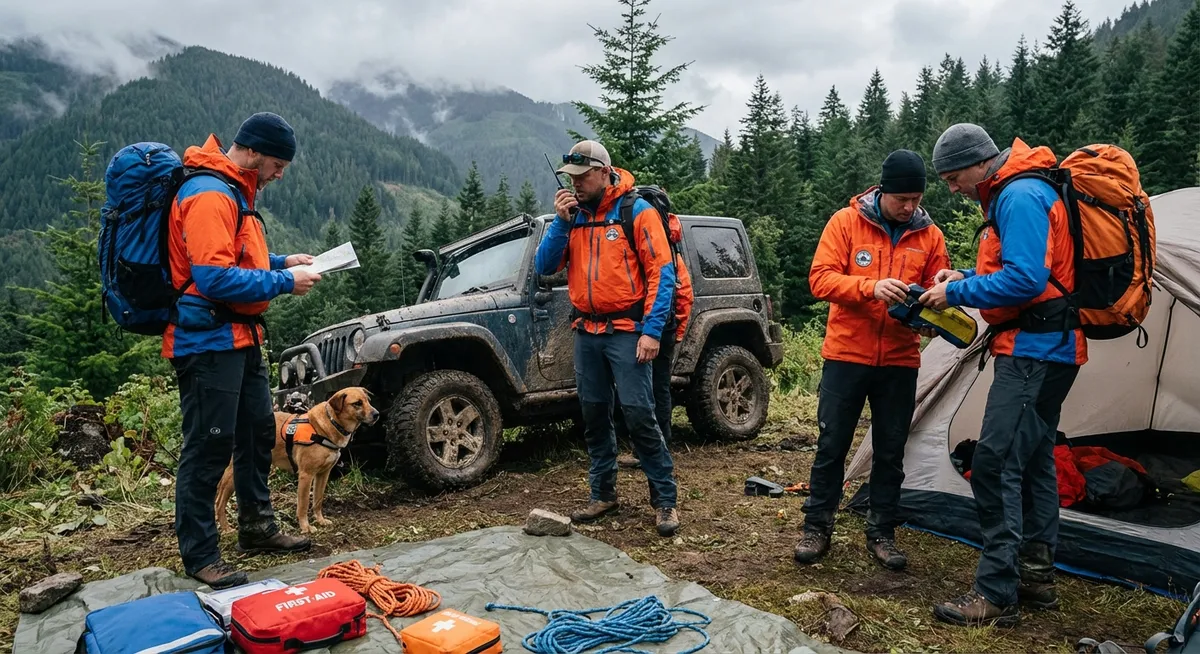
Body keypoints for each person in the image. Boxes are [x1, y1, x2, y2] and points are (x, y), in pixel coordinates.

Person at [920, 123, 1085, 627]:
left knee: (993, 463)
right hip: (1047, 348)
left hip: (1035, 351)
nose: (951, 187)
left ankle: (996, 593)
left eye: (953, 177)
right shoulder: (1020, 190)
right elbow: (1032, 270)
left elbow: (1026, 279)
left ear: (979, 163)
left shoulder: (1019, 195)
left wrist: (955, 295)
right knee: (1033, 459)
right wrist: (965, 277)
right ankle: (1037, 576)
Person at [165, 112, 323, 589]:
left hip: (241, 340)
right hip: (208, 343)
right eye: (277, 164)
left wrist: (281, 262)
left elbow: (231, 259)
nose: (279, 174)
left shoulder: (235, 191)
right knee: (209, 445)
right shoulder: (210, 193)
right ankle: (201, 554)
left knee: (257, 432)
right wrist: (283, 281)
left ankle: (257, 527)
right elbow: (212, 278)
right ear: (252, 152)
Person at [794, 150, 950, 570]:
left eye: (916, 198)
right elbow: (820, 279)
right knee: (832, 445)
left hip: (900, 359)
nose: (910, 206)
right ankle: (816, 526)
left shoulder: (930, 236)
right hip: (847, 355)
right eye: (903, 198)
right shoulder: (845, 223)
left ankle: (882, 531)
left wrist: (931, 318)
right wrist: (870, 287)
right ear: (883, 191)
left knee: (891, 449)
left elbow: (940, 293)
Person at [534, 139, 681, 537]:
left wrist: (652, 332)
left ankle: (664, 501)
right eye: (571, 179)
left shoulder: (638, 212)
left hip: (628, 331)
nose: (576, 185)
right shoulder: (573, 217)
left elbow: (662, 275)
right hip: (587, 331)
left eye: (583, 178)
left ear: (603, 172)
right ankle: (603, 494)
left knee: (639, 414)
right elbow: (545, 266)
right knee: (595, 415)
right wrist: (561, 223)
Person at [615, 230, 694, 468]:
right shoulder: (668, 246)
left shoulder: (657, 248)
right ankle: (657, 447)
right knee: (657, 388)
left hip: (649, 328)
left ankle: (650, 451)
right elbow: (685, 294)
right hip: (660, 327)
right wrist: (676, 331)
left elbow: (682, 293)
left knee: (650, 389)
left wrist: (670, 332)